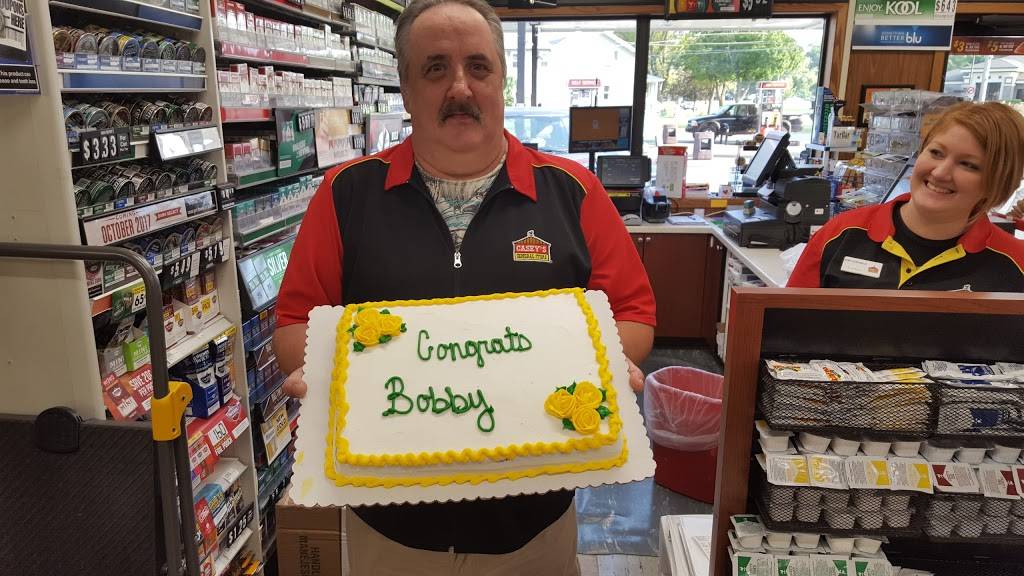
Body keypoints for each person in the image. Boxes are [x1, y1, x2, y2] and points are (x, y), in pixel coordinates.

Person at [271, 0, 656, 573]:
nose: (460, 87)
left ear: (502, 81)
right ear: (405, 89)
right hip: (389, 529)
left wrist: (600, 363)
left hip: (534, 529)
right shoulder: (345, 194)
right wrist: (326, 371)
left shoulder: (573, 191)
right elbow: (294, 326)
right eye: (435, 68)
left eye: (478, 67)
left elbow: (632, 312)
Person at [788, 101, 1024, 291]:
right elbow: (788, 325)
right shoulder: (840, 233)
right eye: (936, 152)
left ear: (999, 183)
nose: (940, 172)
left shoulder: (1016, 264)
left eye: (968, 165)